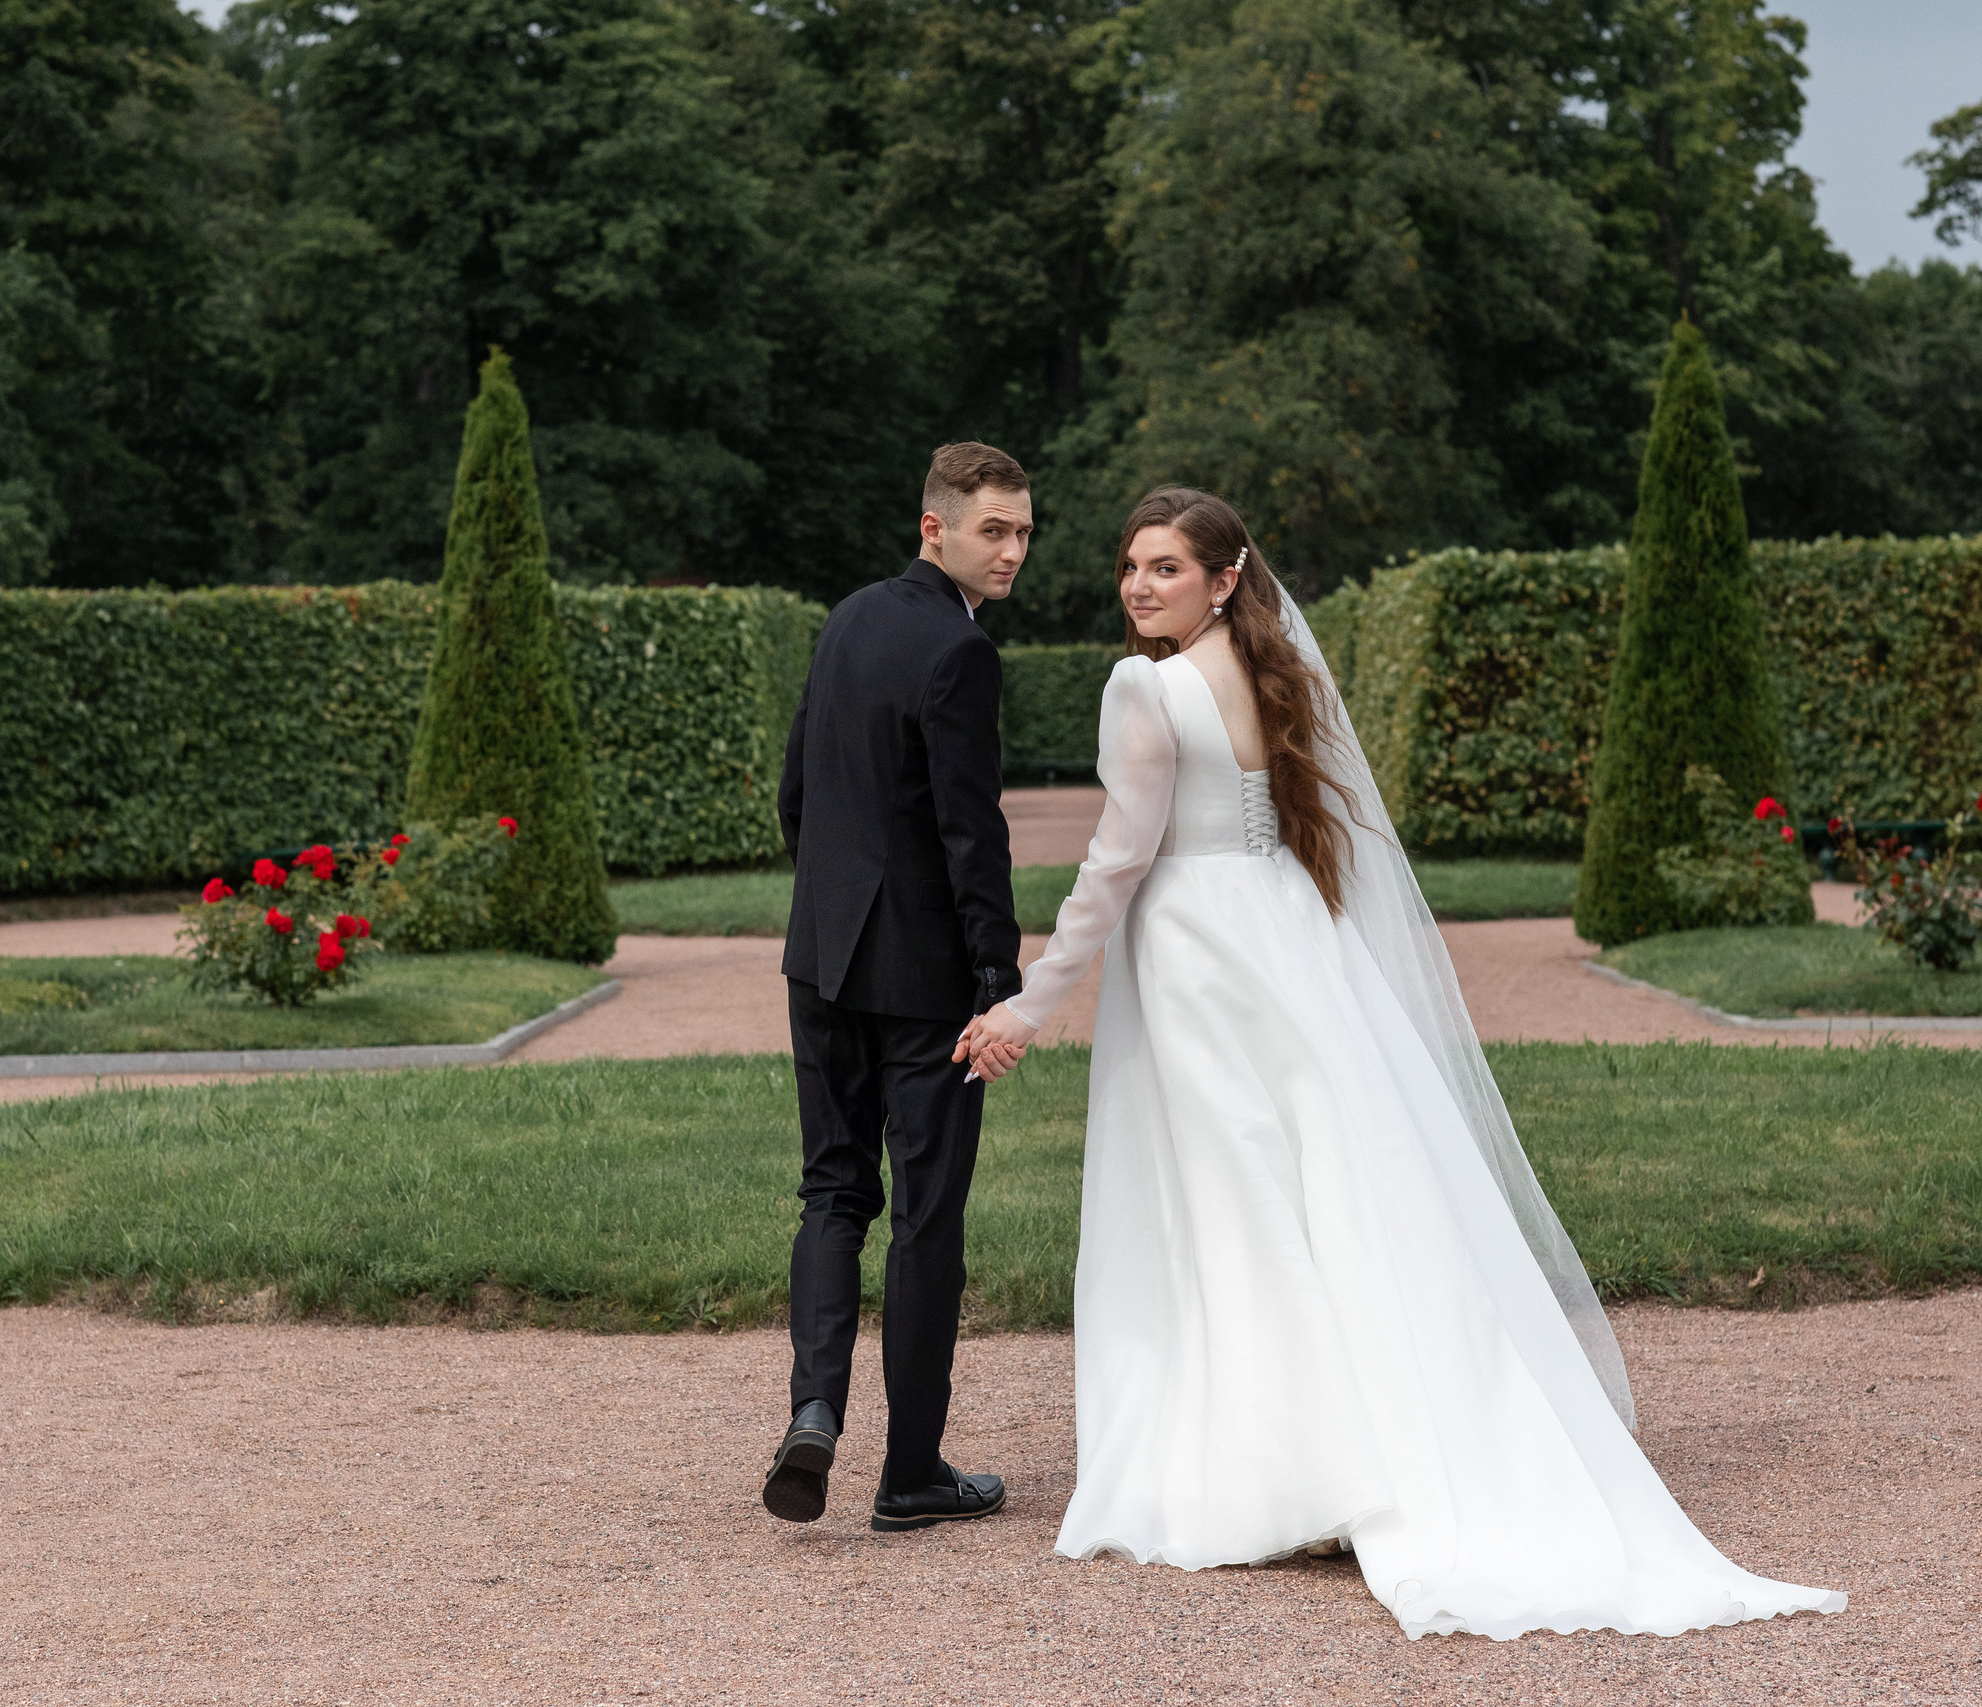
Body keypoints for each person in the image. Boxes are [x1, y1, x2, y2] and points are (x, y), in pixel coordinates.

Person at [957, 487, 1847, 1639]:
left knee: (1233, 1203)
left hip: (1193, 957)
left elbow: (1118, 865)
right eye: (1131, 566)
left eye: (1165, 568)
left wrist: (1032, 1002)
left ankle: (1283, 1468)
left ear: (1223, 579)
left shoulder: (1146, 686)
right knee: (1332, 1185)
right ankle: (1364, 1440)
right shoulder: (1276, 670)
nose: (1138, 587)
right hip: (1286, 939)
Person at [762, 442, 1031, 1533]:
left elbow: (795, 786)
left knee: (833, 1193)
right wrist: (998, 976)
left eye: (1022, 530)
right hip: (922, 981)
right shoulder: (960, 654)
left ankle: (814, 1410)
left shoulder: (848, 619)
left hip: (820, 959)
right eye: (992, 531)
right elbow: (972, 836)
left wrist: (828, 906)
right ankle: (911, 1471)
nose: (1012, 550)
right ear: (936, 530)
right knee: (926, 1218)